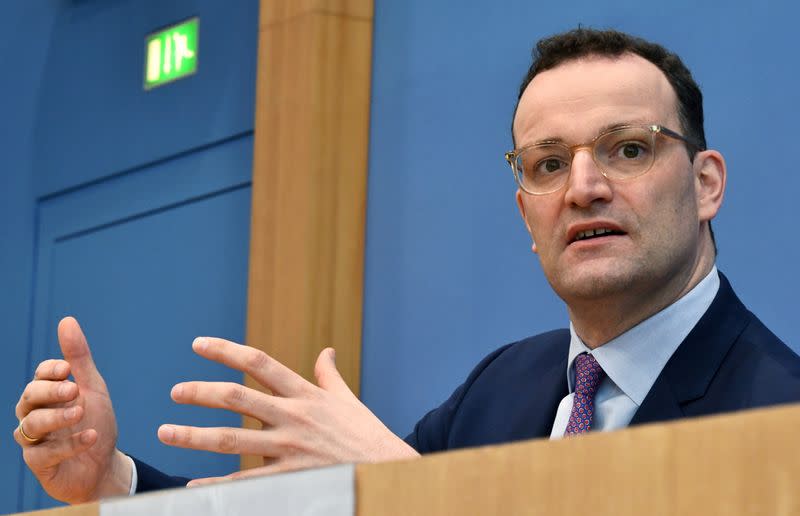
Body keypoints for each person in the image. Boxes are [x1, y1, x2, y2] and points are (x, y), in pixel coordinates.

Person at [14, 28, 800, 503]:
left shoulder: (781, 417)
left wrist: (416, 497)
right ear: (526, 212)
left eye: (628, 149)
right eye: (547, 163)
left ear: (706, 185)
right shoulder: (502, 387)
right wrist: (107, 479)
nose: (584, 187)